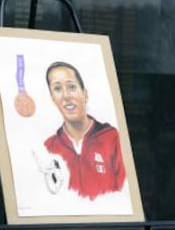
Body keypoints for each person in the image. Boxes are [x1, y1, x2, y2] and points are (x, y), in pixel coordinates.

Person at [41, 61, 126, 200]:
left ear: (85, 94)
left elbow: (124, 196)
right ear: (52, 99)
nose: (66, 96)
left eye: (72, 87)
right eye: (57, 89)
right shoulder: (49, 147)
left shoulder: (112, 138)